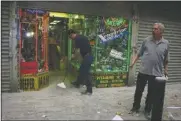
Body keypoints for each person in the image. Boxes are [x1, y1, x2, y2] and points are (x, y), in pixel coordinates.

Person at [129, 23, 169, 118]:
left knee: (151, 93)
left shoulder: (166, 43)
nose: (153, 30)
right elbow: (139, 53)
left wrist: (166, 70)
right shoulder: (146, 40)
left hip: (156, 73)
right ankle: (135, 107)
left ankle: (147, 110)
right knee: (139, 90)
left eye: (155, 29)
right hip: (143, 71)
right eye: (153, 28)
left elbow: (166, 59)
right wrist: (133, 63)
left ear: (161, 31)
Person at [68, 29, 93, 95]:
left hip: (87, 57)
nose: (71, 39)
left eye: (70, 37)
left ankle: (89, 90)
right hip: (88, 56)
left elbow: (77, 51)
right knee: (81, 70)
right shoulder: (81, 37)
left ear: (72, 34)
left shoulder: (77, 39)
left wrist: (73, 57)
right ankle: (77, 83)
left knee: (86, 74)